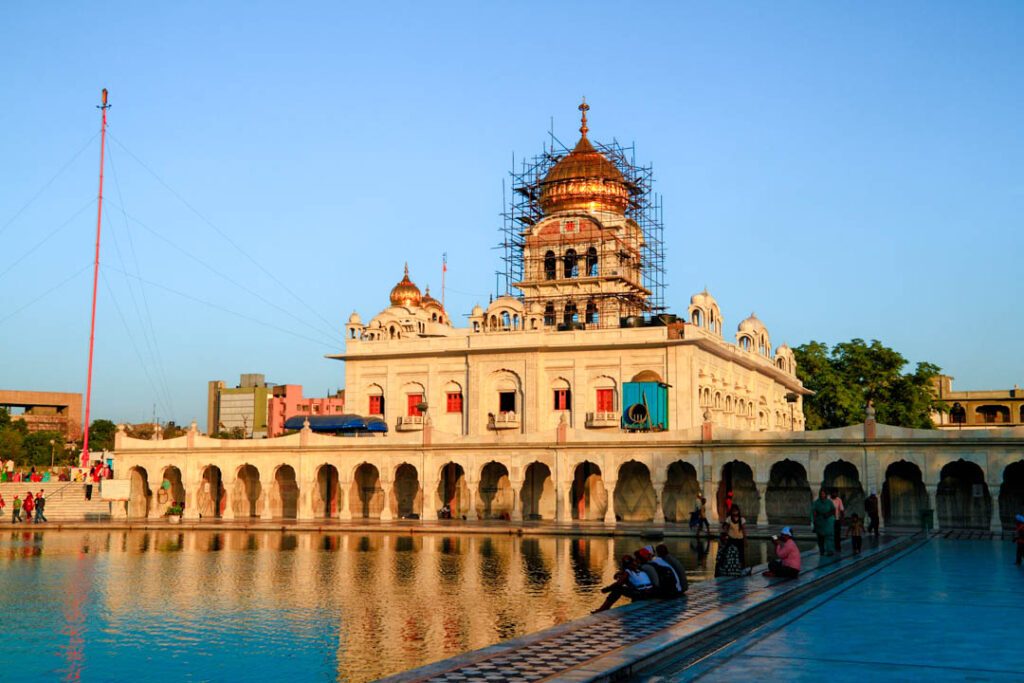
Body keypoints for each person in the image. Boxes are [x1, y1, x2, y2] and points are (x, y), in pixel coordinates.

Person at [811, 488, 835, 556]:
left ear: (826, 494)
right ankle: (822, 550)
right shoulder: (817, 502)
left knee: (829, 537)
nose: (822, 495)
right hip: (820, 522)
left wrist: (828, 514)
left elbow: (833, 510)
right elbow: (814, 512)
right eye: (821, 494)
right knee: (820, 537)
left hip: (828, 522)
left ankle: (830, 550)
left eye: (823, 494)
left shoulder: (829, 502)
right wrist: (814, 521)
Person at [831, 489, 845, 553]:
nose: (834, 494)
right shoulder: (828, 500)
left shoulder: (839, 500)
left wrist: (842, 519)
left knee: (837, 534)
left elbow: (841, 509)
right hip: (829, 520)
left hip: (837, 519)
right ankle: (831, 546)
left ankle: (837, 546)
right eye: (833, 493)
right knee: (831, 534)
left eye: (836, 493)